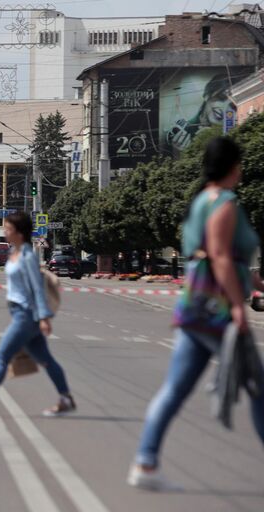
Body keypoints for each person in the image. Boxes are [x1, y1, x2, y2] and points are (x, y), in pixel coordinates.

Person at [128, 136, 264, 490]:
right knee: (259, 389)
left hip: (194, 306)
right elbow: (220, 256)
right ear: (234, 166)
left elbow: (218, 258)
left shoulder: (199, 201)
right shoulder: (224, 202)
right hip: (216, 312)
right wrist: (237, 305)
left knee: (175, 389)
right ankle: (145, 461)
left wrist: (252, 284)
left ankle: (145, 462)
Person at [0, 211, 75, 416]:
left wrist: (44, 318)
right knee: (46, 359)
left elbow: (37, 288)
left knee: (2, 356)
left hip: (26, 316)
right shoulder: (15, 252)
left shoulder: (27, 256)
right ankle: (66, 398)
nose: (5, 232)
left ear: (19, 233)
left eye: (8, 229)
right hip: (23, 314)